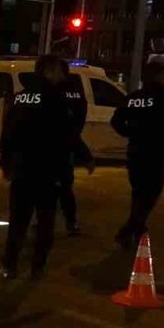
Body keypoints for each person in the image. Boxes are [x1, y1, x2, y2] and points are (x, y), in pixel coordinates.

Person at [0, 54, 75, 280]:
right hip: (47, 172)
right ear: (49, 71)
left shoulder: (20, 98)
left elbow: (8, 132)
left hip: (22, 170)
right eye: (59, 71)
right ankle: (37, 267)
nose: (62, 75)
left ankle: (9, 265)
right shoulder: (56, 98)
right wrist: (64, 172)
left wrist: (6, 163)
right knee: (45, 223)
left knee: (18, 222)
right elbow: (64, 138)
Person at [111, 60, 164, 250]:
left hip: (136, 151)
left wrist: (131, 133)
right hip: (157, 152)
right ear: (160, 75)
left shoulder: (134, 97)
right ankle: (130, 229)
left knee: (139, 192)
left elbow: (116, 121)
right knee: (151, 194)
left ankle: (136, 228)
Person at [57, 61, 95, 236]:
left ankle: (66, 222)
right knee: (64, 189)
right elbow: (73, 129)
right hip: (62, 152)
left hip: (51, 152)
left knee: (59, 189)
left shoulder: (53, 93)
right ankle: (69, 222)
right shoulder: (74, 93)